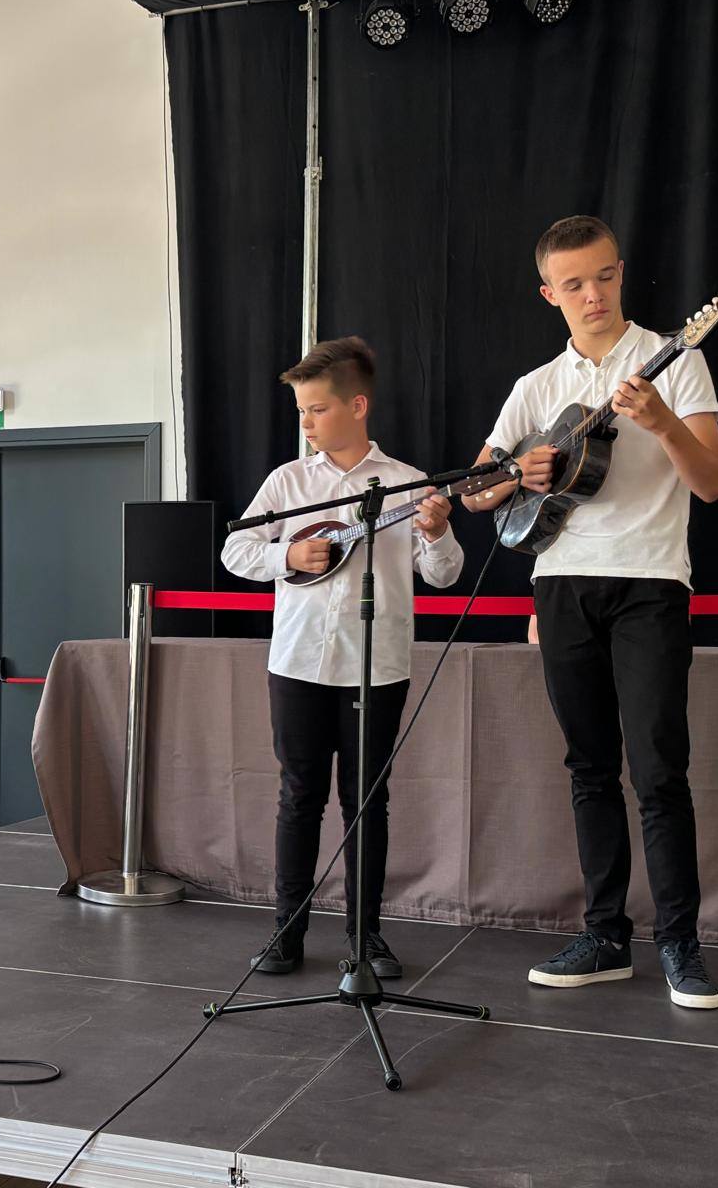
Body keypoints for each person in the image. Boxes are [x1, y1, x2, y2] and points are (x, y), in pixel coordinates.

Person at [463, 216, 718, 1009]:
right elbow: (474, 493)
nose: (593, 295)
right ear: (550, 295)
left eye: (604, 276)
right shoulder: (536, 386)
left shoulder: (678, 358)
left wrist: (662, 422)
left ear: (620, 272)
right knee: (588, 766)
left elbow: (711, 483)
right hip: (562, 583)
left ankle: (679, 943)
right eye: (573, 284)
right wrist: (518, 471)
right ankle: (605, 935)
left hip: (650, 580)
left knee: (658, 769)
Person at [222, 336, 462, 977]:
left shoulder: (408, 484)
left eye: (318, 409)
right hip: (297, 664)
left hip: (377, 667)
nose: (306, 422)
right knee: (299, 795)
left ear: (358, 406)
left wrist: (437, 531)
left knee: (367, 802)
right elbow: (235, 550)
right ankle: (287, 931)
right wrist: (287, 555)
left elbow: (444, 575)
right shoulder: (289, 482)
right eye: (301, 410)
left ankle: (366, 937)